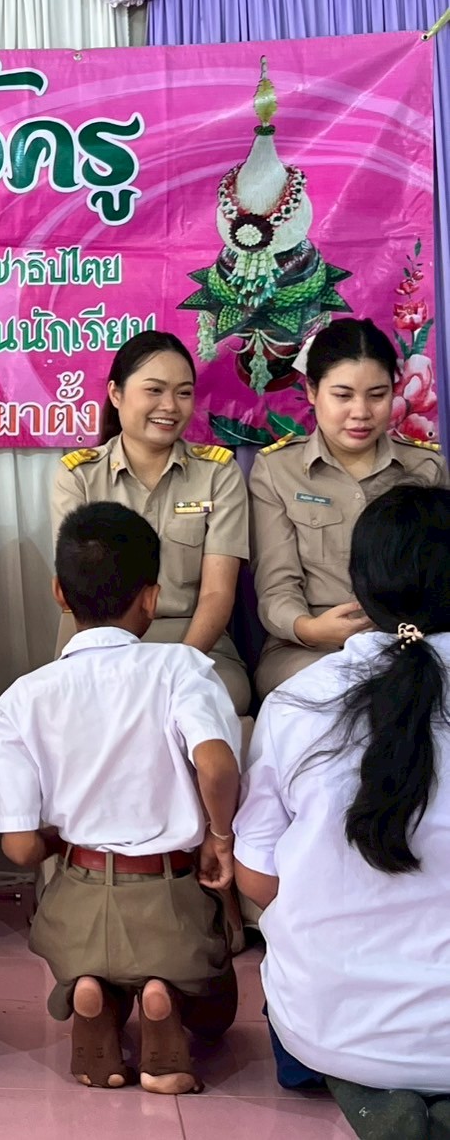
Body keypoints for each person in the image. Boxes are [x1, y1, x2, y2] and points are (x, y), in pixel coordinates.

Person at [0, 502, 241, 1096]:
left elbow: (20, 848)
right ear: (151, 598)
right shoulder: (181, 667)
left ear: (59, 592)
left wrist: (59, 842)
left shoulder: (22, 698)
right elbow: (215, 764)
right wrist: (220, 836)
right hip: (168, 894)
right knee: (217, 1003)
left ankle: (93, 995)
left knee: (93, 958)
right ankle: (165, 1001)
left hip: (77, 904)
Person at [235, 484, 450, 1140]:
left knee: (309, 1037)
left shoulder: (297, 703)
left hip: (330, 1030)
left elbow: (258, 880)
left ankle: (369, 1087)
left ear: (359, 587)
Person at [50, 332, 251, 715]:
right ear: (116, 394)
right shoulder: (79, 476)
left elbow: (217, 594)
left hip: (195, 642)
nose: (170, 406)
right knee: (89, 706)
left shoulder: (218, 473)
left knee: (215, 698)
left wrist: (180, 666)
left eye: (183, 393)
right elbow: (79, 594)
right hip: (100, 642)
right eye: (154, 390)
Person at [249, 317, 446, 698]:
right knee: (335, 692)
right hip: (310, 647)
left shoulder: (425, 467)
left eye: (377, 395)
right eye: (343, 395)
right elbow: (276, 585)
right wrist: (309, 628)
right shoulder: (277, 470)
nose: (361, 412)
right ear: (312, 391)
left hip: (409, 640)